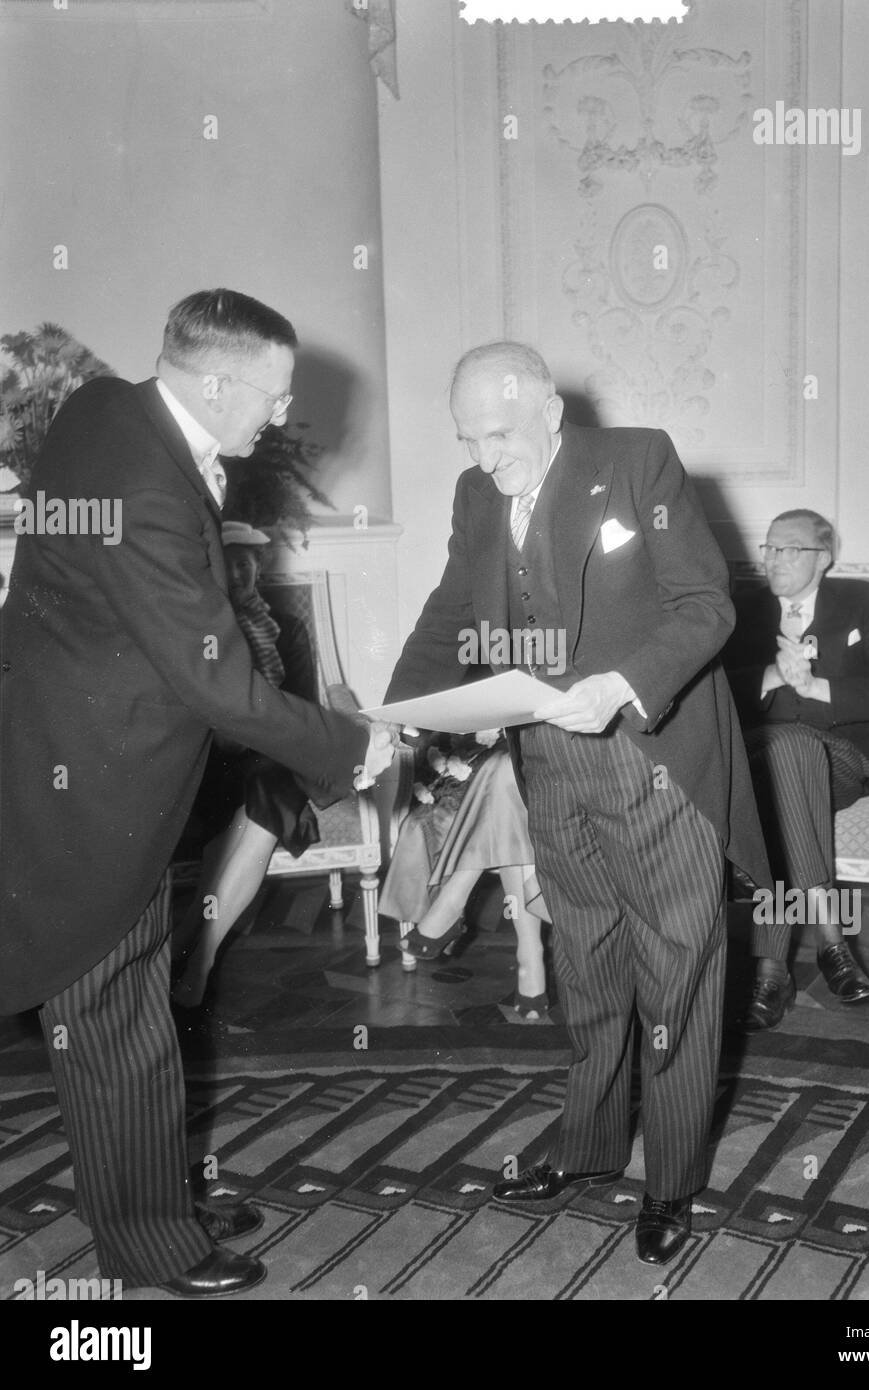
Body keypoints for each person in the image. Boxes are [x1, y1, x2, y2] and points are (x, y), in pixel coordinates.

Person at [0, 290, 393, 1298]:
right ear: (215, 381)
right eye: (271, 394)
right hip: (86, 786)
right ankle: (151, 1246)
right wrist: (352, 742)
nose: (280, 413)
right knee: (115, 1028)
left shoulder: (107, 409)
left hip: (86, 753)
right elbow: (215, 679)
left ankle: (155, 1202)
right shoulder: (146, 481)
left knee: (125, 1018)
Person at [377, 341, 769, 1265]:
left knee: (676, 966)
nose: (484, 456)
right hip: (547, 761)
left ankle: (670, 1178)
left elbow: (706, 606)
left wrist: (622, 683)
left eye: (500, 433)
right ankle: (589, 1146)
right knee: (585, 956)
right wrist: (399, 714)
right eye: (468, 439)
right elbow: (449, 612)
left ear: (552, 408)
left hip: (651, 756)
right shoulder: (478, 496)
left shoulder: (636, 461)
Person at [722, 510, 869, 1031]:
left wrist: (815, 689)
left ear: (823, 558)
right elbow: (711, 695)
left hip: (843, 760)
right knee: (787, 756)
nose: (774, 558)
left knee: (795, 756)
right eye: (769, 548)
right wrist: (769, 674)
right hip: (765, 762)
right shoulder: (741, 608)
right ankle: (832, 943)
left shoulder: (858, 601)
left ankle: (771, 971)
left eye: (790, 548)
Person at [171, 521, 324, 1009]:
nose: (237, 572)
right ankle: (192, 938)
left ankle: (200, 955)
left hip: (276, 753)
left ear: (258, 567)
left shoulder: (288, 626)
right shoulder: (204, 627)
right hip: (215, 756)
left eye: (246, 561)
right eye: (228, 561)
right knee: (249, 810)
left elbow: (305, 704)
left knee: (267, 801)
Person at [379, 730, 549, 1020]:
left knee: (504, 770)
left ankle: (453, 899)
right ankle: (530, 957)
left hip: (567, 761)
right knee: (505, 779)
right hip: (504, 773)